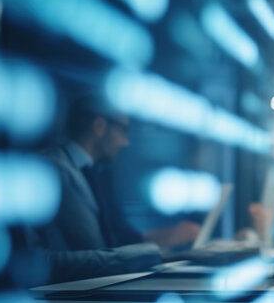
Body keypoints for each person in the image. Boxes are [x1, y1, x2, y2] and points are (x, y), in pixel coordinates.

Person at [35, 95, 200, 281]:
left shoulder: (96, 171)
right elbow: (45, 259)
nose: (125, 142)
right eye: (123, 130)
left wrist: (160, 250)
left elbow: (116, 239)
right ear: (99, 126)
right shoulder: (50, 170)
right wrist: (152, 253)